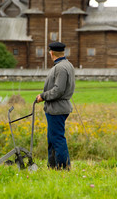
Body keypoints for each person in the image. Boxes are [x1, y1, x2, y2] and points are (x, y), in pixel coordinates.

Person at [36, 42, 75, 170]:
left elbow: (58, 90)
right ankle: (52, 167)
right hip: (57, 108)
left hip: (57, 109)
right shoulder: (67, 65)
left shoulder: (60, 68)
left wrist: (43, 96)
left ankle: (63, 168)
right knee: (52, 139)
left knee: (57, 139)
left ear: (51, 53)